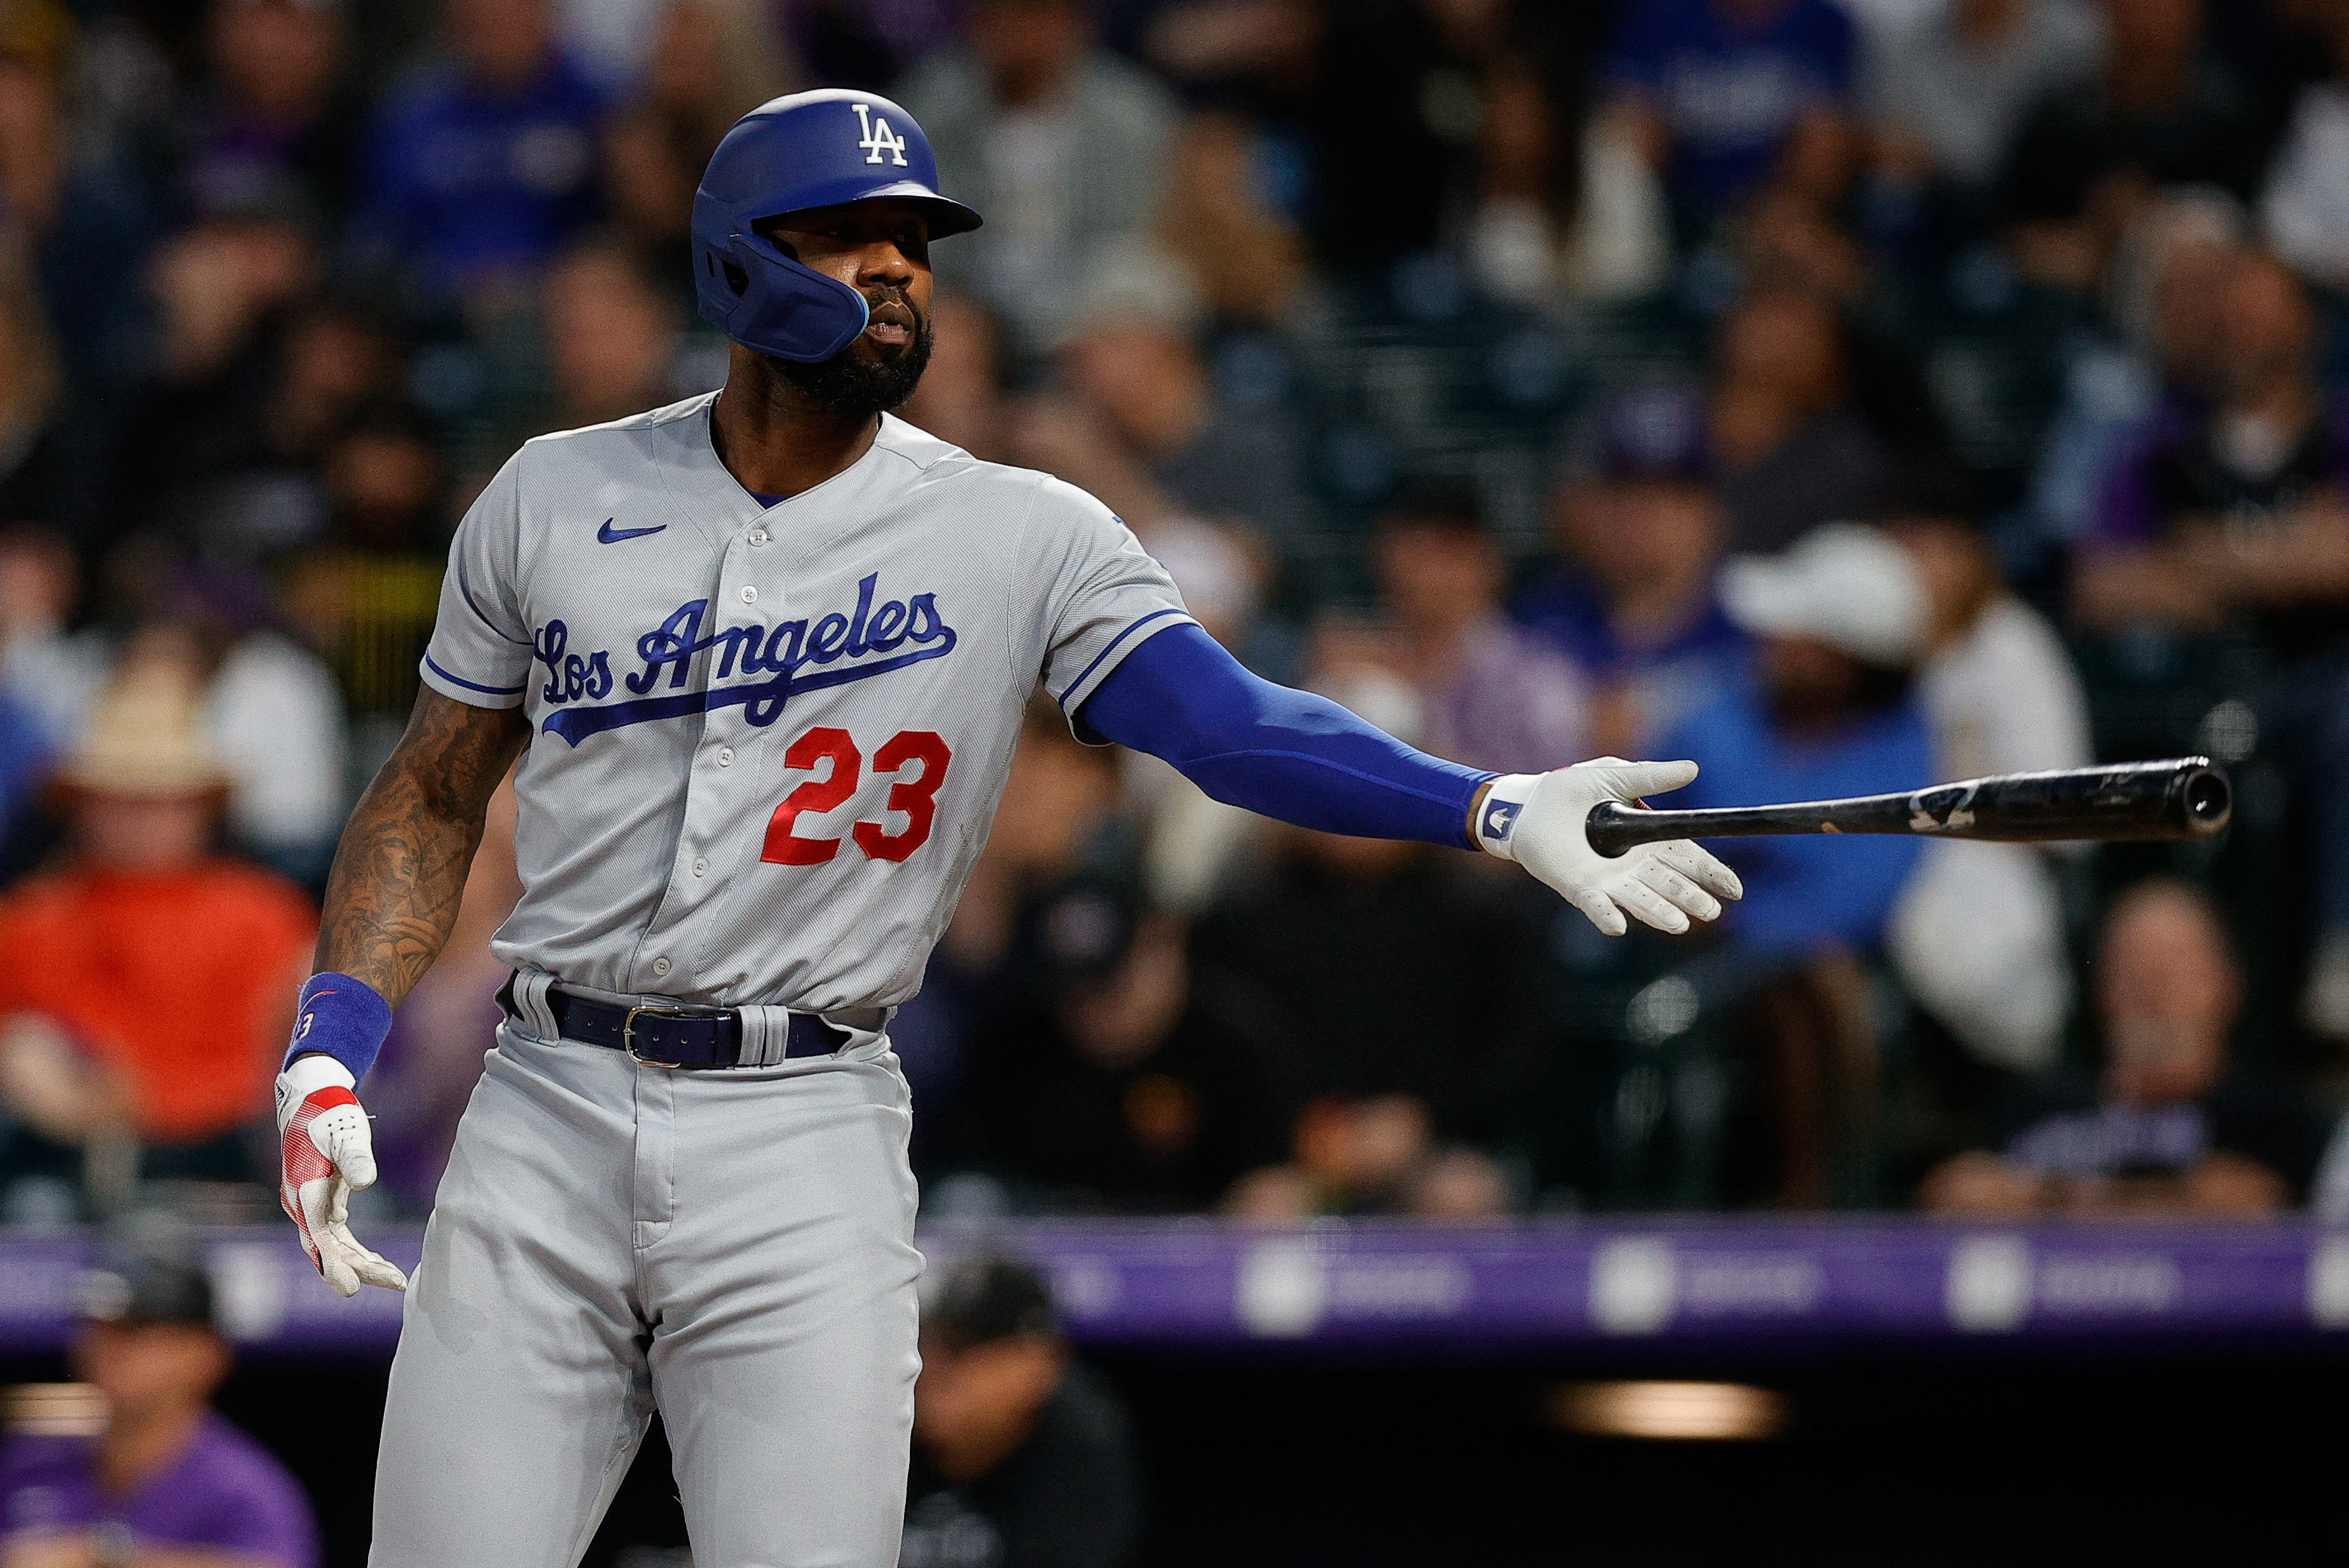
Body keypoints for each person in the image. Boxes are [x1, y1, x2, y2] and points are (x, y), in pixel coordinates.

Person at [274, 89, 1738, 1566]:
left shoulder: (1019, 530)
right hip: (546, 1101)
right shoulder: (551, 493)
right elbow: (434, 786)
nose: (896, 271)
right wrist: (334, 1035)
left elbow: (1227, 725)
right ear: (734, 261)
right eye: (851, 237)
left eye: (914, 243)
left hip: (802, 1121)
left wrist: (1486, 804)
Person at [0, 657, 315, 1200]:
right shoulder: (30, 917)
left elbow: (286, 1050)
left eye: (162, 800)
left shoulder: (264, 912)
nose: (142, 818)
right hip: (78, 1161)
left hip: (247, 1145)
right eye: (122, 799)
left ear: (201, 808)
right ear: (83, 806)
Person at [1922, 879, 2327, 1215]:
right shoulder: (2039, 1105)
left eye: (2174, 969)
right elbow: (1958, 1192)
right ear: (2100, 990)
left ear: (2227, 987)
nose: (2153, 992)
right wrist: (2147, 1200)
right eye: (2132, 968)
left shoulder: (2268, 1115)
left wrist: (2049, 1198)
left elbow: (2247, 1201)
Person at [0, 1254, 320, 1567]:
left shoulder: (243, 1487)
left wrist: (107, 1558)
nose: (107, 1349)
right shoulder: (31, 1463)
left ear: (206, 1353)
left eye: (136, 1330)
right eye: (98, 1328)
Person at [901, 0, 1179, 358]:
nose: (1019, 30)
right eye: (1001, 14)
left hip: (1093, 306)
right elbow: (922, 237)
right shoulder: (930, 109)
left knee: (1124, 358)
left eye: (1037, 13)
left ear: (1074, 22)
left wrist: (1065, 321)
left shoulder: (1130, 115)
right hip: (969, 300)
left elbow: (1131, 241)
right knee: (938, 352)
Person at [1512, 386, 1746, 756]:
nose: (1642, 513)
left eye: (1668, 495)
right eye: (1624, 491)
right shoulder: (1541, 622)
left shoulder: (1752, 632)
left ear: (1711, 513)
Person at [901, 1253, 1140, 1568]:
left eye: (963, 1348)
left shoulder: (1080, 1439)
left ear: (1040, 1360)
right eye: (928, 1342)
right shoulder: (878, 1428)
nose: (934, 1365)